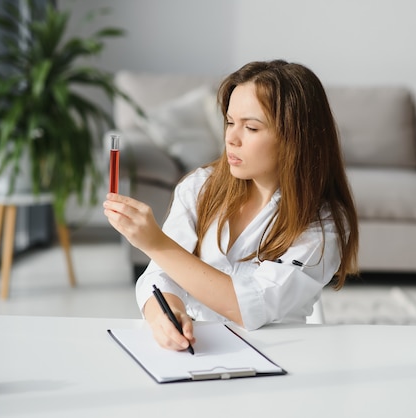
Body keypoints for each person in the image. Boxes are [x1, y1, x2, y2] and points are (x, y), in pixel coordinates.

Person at [103, 59, 359, 351]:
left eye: (250, 127)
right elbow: (159, 275)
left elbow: (253, 305)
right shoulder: (200, 187)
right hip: (200, 349)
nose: (231, 139)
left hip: (280, 354)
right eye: (229, 122)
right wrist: (165, 313)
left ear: (294, 138)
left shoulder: (322, 223)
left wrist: (155, 243)